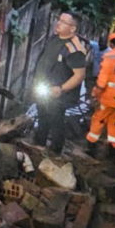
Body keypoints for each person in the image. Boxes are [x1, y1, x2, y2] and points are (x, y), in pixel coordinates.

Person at [33, 11, 87, 154]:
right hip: (44, 89)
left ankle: (55, 152)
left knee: (56, 121)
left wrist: (61, 89)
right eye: (59, 20)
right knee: (42, 116)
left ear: (73, 28)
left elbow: (80, 75)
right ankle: (39, 146)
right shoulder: (54, 38)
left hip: (58, 94)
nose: (58, 23)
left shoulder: (74, 49)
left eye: (63, 22)